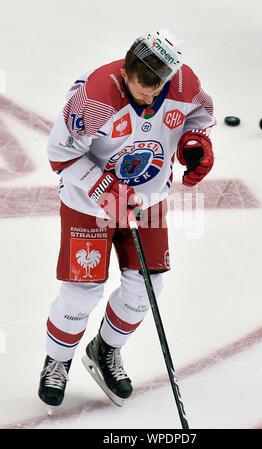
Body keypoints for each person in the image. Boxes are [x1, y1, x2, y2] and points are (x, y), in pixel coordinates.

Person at [38, 28, 216, 408]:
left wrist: (195, 144)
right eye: (141, 87)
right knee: (79, 295)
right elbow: (61, 155)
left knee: (145, 289)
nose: (150, 96)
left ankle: (105, 350)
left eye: (157, 88)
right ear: (126, 69)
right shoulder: (96, 96)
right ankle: (58, 360)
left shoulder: (186, 84)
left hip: (147, 201)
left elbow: (199, 118)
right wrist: (103, 186)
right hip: (89, 204)